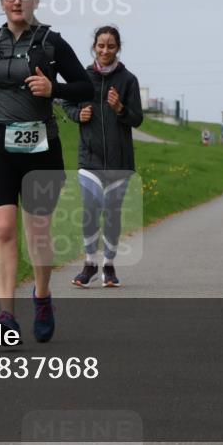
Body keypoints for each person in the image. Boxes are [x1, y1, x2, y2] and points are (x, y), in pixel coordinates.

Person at [0, 0, 93, 343]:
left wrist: (54, 88)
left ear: (35, 0)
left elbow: (84, 86)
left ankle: (43, 296)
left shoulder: (52, 42)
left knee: (38, 232)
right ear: (1, 0)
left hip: (41, 147)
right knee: (2, 229)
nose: (17, 1)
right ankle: (5, 316)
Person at [61, 26, 143, 288]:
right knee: (90, 212)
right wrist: (78, 115)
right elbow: (67, 104)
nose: (105, 50)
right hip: (90, 159)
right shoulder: (83, 78)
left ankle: (108, 265)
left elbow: (137, 119)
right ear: (94, 47)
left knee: (112, 214)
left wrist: (120, 108)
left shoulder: (128, 80)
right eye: (101, 45)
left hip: (120, 161)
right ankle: (89, 264)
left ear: (118, 48)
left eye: (110, 46)